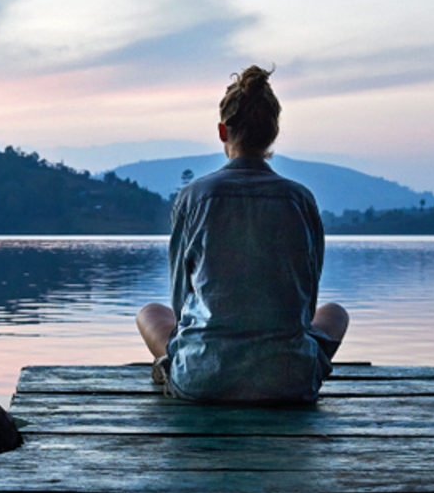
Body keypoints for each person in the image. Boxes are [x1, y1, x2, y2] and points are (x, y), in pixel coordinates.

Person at [136, 66, 349, 402]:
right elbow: (307, 306)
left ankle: (176, 366)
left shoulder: (194, 197)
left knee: (150, 313)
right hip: (288, 382)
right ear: (273, 134)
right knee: (335, 313)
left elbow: (179, 301)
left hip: (203, 380)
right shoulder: (300, 198)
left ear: (223, 131)